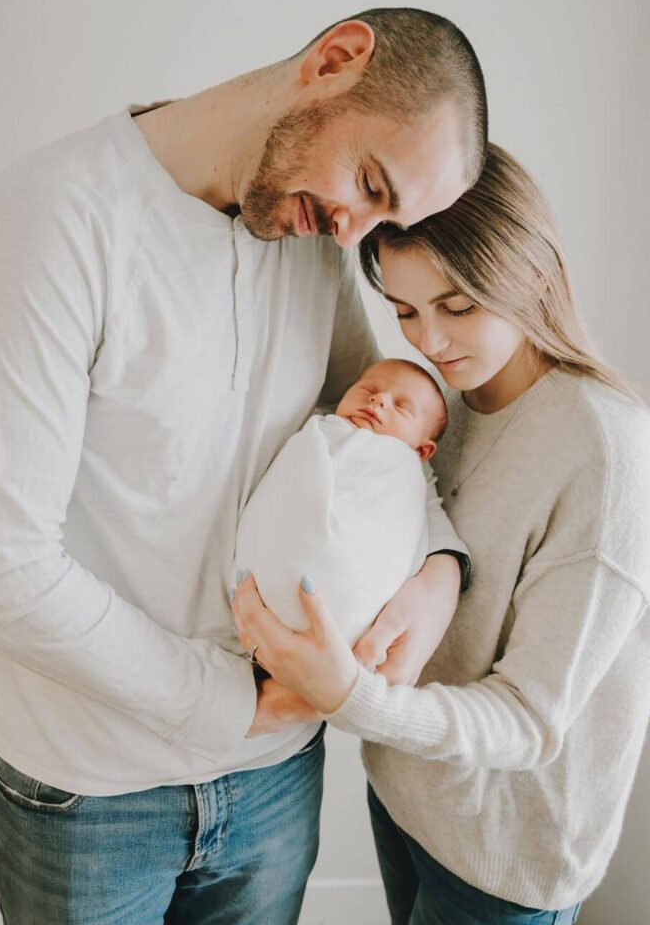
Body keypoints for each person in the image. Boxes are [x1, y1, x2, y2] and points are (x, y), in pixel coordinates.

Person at [0, 9, 485, 924]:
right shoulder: (45, 223)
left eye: (386, 217)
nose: (353, 236)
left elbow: (372, 430)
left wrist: (437, 568)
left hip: (275, 782)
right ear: (333, 61)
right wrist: (229, 702)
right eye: (371, 182)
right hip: (90, 792)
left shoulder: (311, 237)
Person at [232, 143, 650, 925]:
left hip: (507, 852)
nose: (427, 340)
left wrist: (349, 696)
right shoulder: (432, 407)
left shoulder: (606, 451)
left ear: (529, 275)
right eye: (403, 311)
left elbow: (530, 720)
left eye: (456, 307)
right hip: (405, 793)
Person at [234, 358, 447, 648]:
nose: (379, 399)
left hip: (344, 616)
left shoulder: (404, 472)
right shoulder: (320, 430)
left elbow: (400, 533)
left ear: (422, 450)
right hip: (261, 579)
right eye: (368, 389)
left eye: (402, 406)